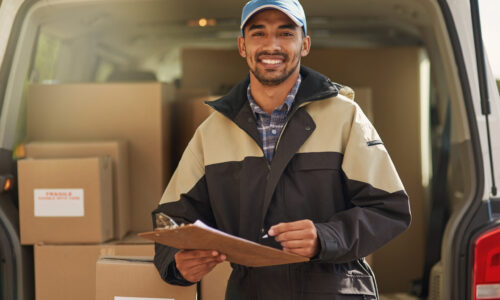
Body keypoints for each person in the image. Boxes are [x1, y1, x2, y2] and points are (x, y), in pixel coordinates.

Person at [153, 0, 411, 298]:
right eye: (258, 33)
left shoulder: (345, 117)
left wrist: (325, 237)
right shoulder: (212, 132)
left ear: (305, 45)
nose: (271, 45)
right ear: (242, 45)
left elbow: (388, 209)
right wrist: (176, 262)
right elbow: (171, 218)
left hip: (333, 291)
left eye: (286, 33)